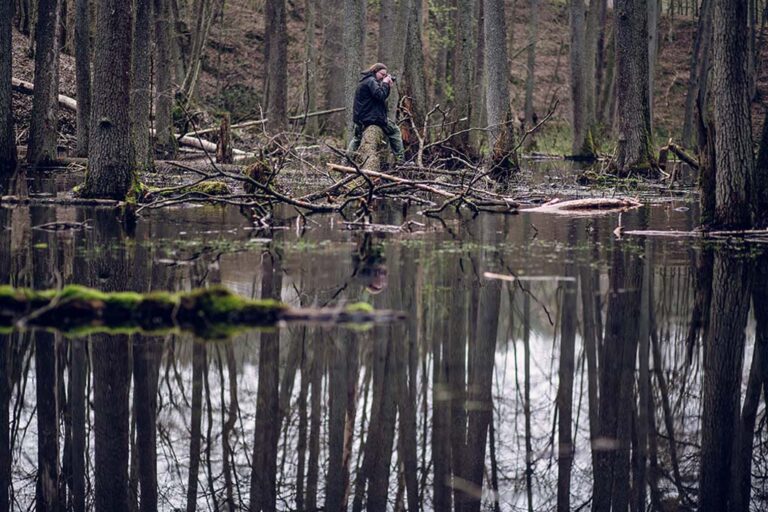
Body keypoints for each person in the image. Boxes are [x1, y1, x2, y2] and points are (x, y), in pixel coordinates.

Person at [346, 63, 406, 164]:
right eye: (382, 74)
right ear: (375, 71)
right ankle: (401, 161)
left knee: (357, 139)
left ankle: (346, 161)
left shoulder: (366, 80)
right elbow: (380, 96)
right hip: (371, 118)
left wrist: (387, 86)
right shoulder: (371, 81)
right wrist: (386, 84)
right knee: (394, 131)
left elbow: (380, 96)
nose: (383, 77)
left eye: (385, 75)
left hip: (362, 118)